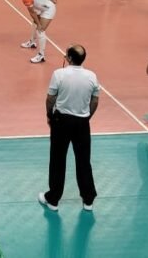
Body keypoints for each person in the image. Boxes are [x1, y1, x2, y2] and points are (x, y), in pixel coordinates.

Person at [38, 44, 99, 213]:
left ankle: (53, 199)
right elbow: (95, 101)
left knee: (57, 160)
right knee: (83, 160)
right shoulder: (92, 76)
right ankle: (88, 200)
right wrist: (87, 117)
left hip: (61, 122)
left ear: (70, 58)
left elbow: (50, 98)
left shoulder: (59, 74)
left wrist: (49, 116)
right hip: (82, 123)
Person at [16, 0, 56, 64]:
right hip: (42, 8)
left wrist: (39, 24)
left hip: (49, 9)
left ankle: (41, 55)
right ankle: (32, 42)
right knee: (35, 23)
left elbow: (32, 13)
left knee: (40, 30)